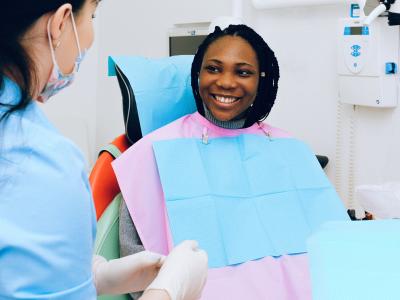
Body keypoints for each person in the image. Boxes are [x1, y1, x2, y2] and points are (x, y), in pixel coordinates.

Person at [114, 24, 348, 299]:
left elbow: (337, 249)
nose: (225, 82)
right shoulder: (154, 151)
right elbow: (135, 263)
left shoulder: (291, 151)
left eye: (243, 72)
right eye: (213, 68)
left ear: (261, 80)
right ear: (197, 74)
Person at [0, 1, 208, 299]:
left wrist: (92, 274)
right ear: (61, 23)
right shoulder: (44, 163)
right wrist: (167, 291)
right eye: (92, 16)